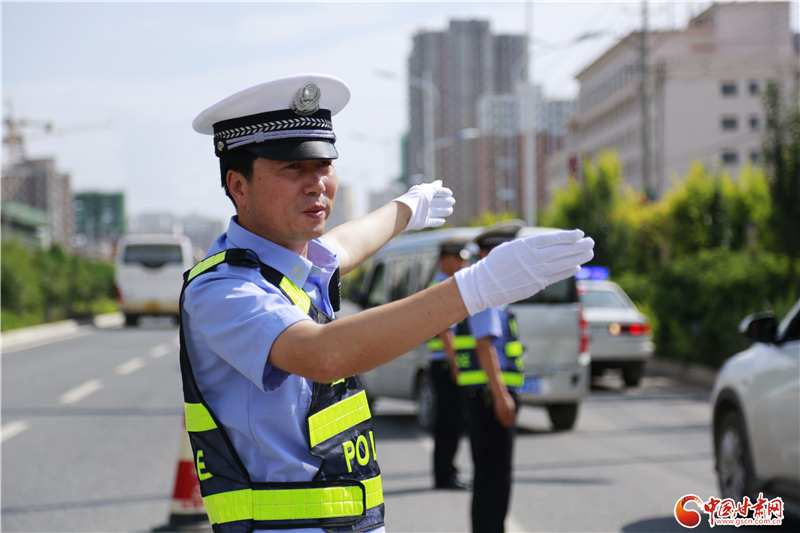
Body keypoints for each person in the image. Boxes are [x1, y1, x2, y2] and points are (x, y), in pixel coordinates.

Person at [181, 73, 594, 533]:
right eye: (292, 168)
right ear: (238, 186)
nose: (316, 184)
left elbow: (346, 243)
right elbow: (321, 353)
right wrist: (475, 288)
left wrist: (409, 208)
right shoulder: (224, 288)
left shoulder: (292, 266)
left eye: (324, 165)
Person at [459, 220, 527, 533]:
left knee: (492, 476)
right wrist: (501, 395)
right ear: (489, 254)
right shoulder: (486, 288)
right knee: (493, 478)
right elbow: (484, 345)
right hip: (489, 398)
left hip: (487, 396)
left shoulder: (489, 287)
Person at [426, 239, 471, 490]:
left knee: (451, 422)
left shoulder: (446, 284)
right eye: (458, 259)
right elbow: (445, 331)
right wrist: (456, 364)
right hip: (445, 364)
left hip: (445, 364)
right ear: (445, 260)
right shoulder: (442, 286)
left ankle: (447, 472)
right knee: (448, 422)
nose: (463, 263)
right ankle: (445, 475)